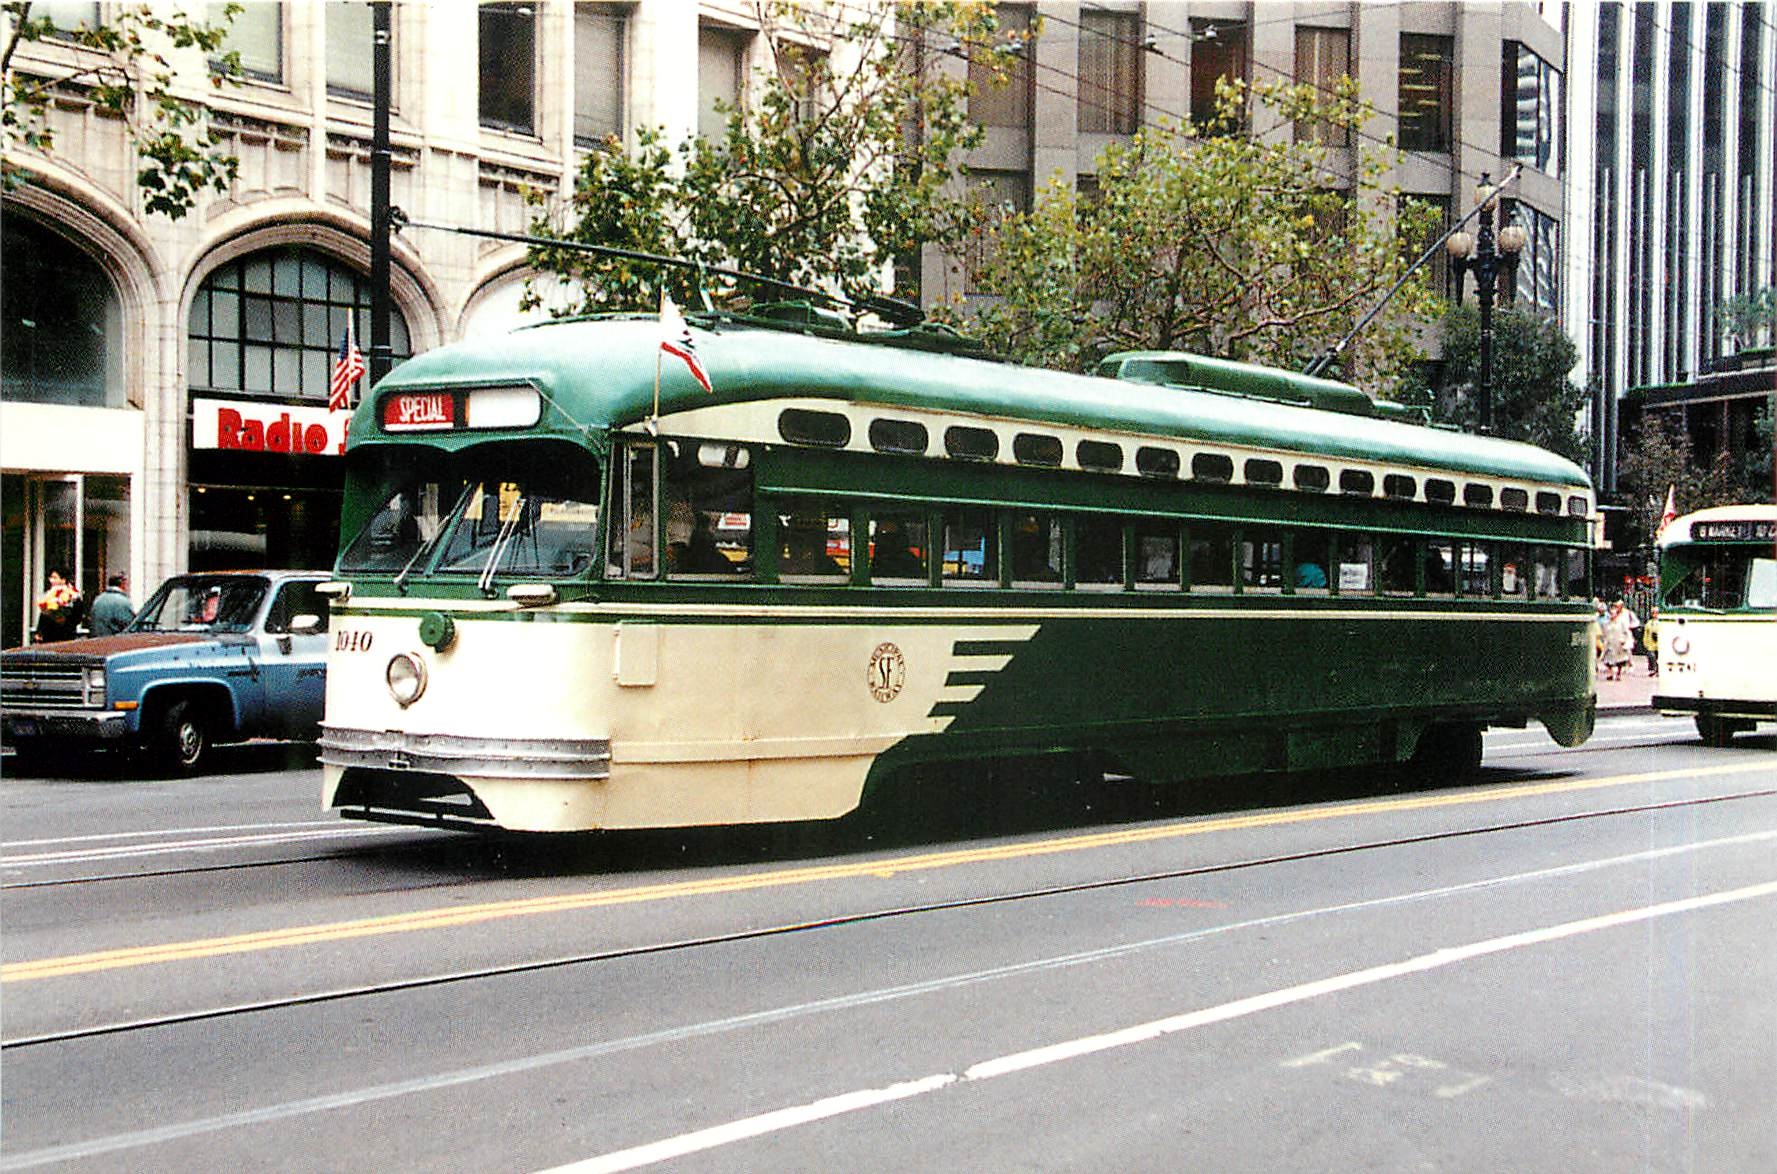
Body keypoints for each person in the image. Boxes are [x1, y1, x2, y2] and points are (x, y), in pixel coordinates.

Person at [33, 568, 83, 643]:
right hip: (48, 638)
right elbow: (43, 616)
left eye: (55, 578)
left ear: (63, 580)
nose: (52, 580)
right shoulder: (49, 595)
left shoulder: (73, 596)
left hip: (65, 637)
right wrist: (39, 632)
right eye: (51, 578)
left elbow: (77, 617)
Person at [1600, 600, 1635, 681]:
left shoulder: (1621, 622)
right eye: (1610, 614)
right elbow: (1604, 633)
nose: (1612, 616)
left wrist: (1624, 640)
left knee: (1620, 661)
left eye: (1613, 614)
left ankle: (1618, 674)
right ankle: (1611, 674)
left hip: (1619, 643)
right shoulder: (1606, 623)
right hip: (1609, 644)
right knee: (1607, 661)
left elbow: (1626, 632)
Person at [1643, 607, 1661, 676]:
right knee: (1651, 657)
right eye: (1653, 613)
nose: (1655, 614)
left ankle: (1658, 670)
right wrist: (1645, 642)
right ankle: (1652, 669)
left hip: (1659, 643)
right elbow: (1646, 634)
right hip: (1650, 643)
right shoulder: (1649, 623)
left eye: (1656, 613)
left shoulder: (1661, 622)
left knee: (1659, 658)